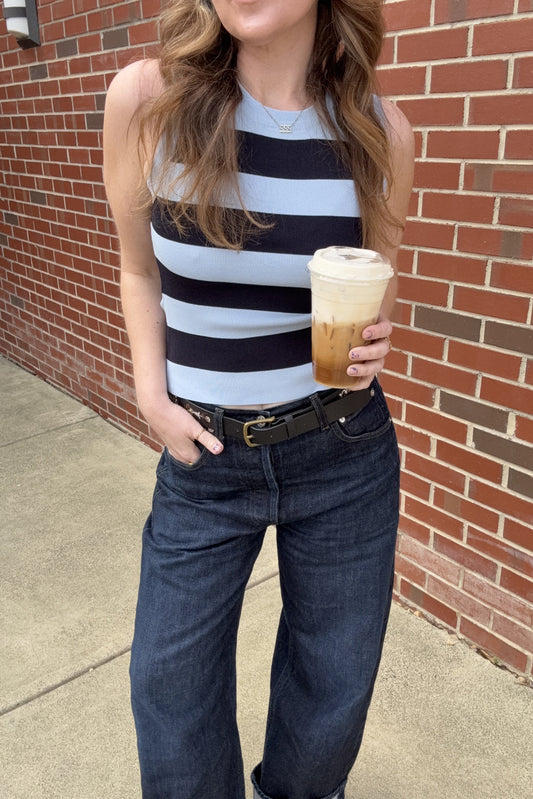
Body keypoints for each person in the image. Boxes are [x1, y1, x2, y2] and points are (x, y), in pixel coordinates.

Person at [103, 1, 414, 797]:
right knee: (168, 691)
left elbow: (376, 282)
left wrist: (374, 337)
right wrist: (150, 395)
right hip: (203, 456)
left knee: (330, 692)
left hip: (341, 451)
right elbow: (137, 268)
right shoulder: (146, 99)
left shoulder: (379, 130)